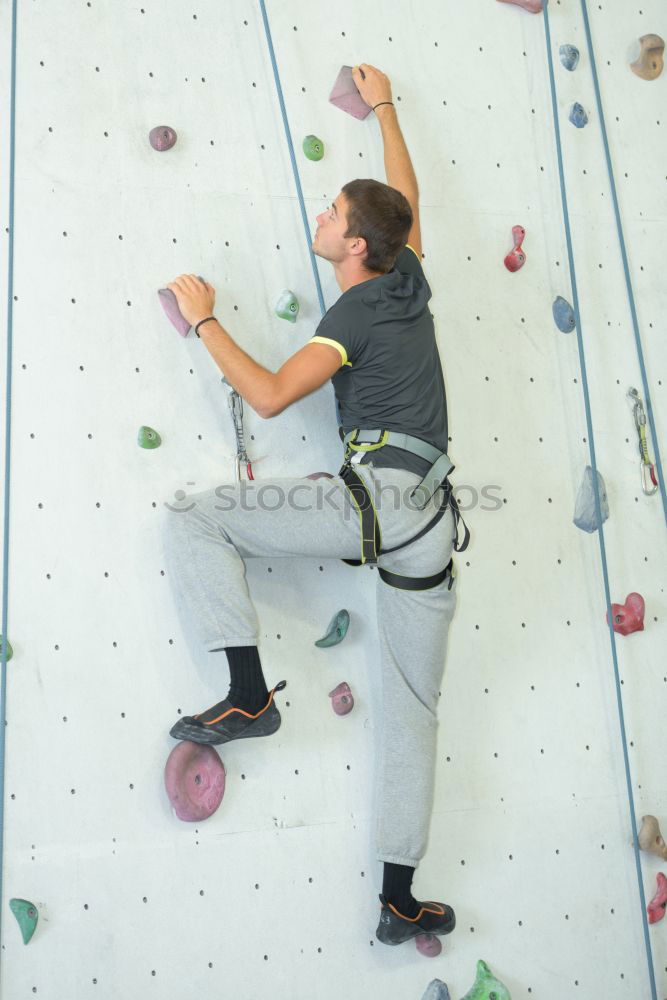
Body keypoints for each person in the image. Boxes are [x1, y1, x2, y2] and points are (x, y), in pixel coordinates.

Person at [163, 64, 468, 947]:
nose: (324, 219)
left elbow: (266, 396)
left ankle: (248, 695)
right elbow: (400, 198)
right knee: (414, 709)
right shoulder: (403, 268)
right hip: (430, 528)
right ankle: (398, 898)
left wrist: (205, 321)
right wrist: (383, 108)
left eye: (334, 215)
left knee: (194, 515)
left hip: (376, 500)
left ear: (356, 249)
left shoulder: (361, 313)